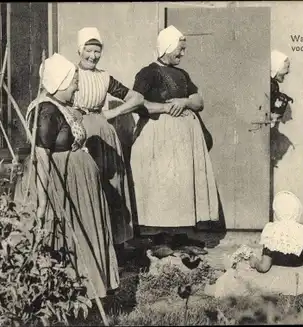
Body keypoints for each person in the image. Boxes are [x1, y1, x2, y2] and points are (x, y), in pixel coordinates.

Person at [14, 53, 119, 300]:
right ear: (59, 83)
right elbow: (41, 156)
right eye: (73, 82)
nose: (77, 86)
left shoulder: (59, 107)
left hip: (75, 184)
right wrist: (41, 203)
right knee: (65, 236)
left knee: (80, 236)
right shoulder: (45, 111)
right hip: (61, 185)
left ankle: (85, 289)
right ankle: (66, 291)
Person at [130, 25, 220, 237]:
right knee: (163, 183)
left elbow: (199, 101)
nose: (182, 53)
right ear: (167, 47)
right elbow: (135, 102)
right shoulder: (148, 73)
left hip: (183, 140)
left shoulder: (182, 74)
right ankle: (160, 236)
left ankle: (179, 234)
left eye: (183, 49)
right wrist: (164, 108)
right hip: (159, 137)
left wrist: (184, 101)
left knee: (181, 183)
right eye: (179, 48)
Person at [73, 27, 144, 253]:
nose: (93, 56)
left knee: (111, 185)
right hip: (80, 135)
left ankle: (116, 243)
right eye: (88, 50)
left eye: (97, 51)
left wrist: (112, 114)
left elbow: (137, 97)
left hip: (104, 135)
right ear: (79, 49)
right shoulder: (69, 74)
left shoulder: (104, 78)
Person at [205, 191, 303, 298]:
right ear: (297, 211)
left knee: (242, 275)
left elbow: (264, 267)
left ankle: (217, 286)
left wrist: (254, 262)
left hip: (275, 277)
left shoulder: (273, 231)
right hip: (299, 277)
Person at [270, 50, 293, 127]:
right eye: (287, 67)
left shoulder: (274, 84)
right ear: (276, 67)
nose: (288, 71)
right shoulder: (270, 85)